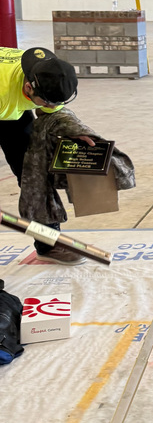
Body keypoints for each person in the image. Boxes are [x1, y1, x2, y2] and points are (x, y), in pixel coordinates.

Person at [0, 46, 92, 265]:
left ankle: (48, 245)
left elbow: (50, 111)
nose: (52, 107)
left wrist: (75, 130)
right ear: (28, 87)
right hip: (4, 98)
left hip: (10, 109)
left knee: (35, 175)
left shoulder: (48, 73)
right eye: (47, 102)